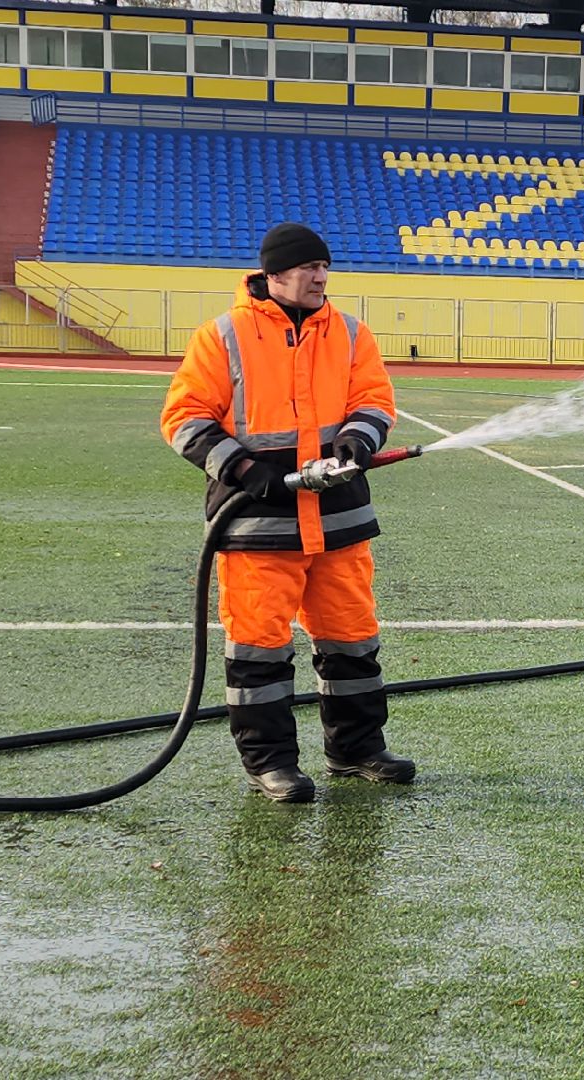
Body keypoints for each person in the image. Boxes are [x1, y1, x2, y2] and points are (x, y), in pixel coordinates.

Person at [160, 222, 414, 802]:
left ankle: (357, 751)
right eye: (308, 269)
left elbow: (373, 400)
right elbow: (184, 418)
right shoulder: (221, 336)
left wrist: (357, 442)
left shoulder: (350, 333)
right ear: (273, 275)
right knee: (259, 647)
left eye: (325, 268)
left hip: (337, 522)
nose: (321, 277)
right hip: (255, 524)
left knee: (353, 640)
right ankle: (270, 762)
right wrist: (246, 471)